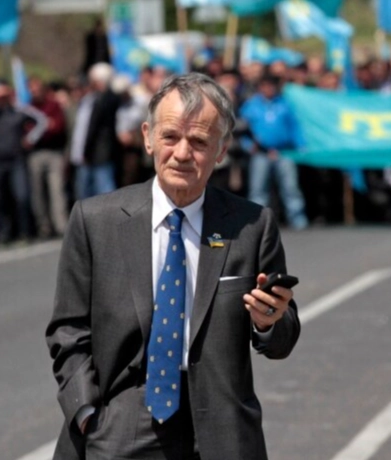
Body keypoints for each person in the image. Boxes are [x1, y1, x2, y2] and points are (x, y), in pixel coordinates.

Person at [46, 73, 301, 460]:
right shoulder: (95, 220)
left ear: (221, 149)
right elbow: (68, 329)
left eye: (199, 141)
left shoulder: (251, 226)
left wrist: (268, 322)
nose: (182, 153)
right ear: (148, 137)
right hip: (121, 423)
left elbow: (282, 338)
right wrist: (87, 414)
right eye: (170, 137)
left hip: (221, 430)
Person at [0, 81, 48, 243]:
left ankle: (25, 232)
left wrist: (31, 139)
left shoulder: (19, 110)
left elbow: (42, 120)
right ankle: (4, 233)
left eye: (4, 94)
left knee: (22, 196)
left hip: (16, 160)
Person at [240, 75, 309, 230]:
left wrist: (301, 145)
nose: (268, 89)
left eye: (271, 85)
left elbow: (294, 127)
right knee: (258, 189)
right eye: (265, 85)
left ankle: (297, 218)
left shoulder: (284, 104)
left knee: (290, 187)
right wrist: (247, 145)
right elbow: (242, 128)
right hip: (261, 153)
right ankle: (256, 222)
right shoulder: (251, 105)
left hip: (284, 151)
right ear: (260, 87)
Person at [69, 63, 121, 201]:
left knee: (105, 192)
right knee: (84, 194)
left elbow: (93, 128)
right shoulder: (89, 100)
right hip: (86, 155)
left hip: (101, 154)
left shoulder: (107, 99)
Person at [28, 77, 69, 238]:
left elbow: (58, 127)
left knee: (57, 190)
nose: (35, 92)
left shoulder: (54, 105)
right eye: (32, 89)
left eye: (37, 88)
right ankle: (43, 226)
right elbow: (27, 130)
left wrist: (48, 127)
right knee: (37, 192)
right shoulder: (29, 109)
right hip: (36, 154)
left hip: (54, 152)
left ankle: (61, 225)